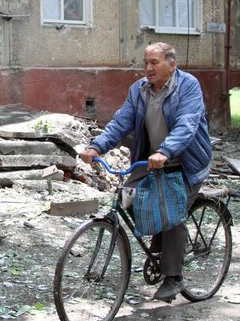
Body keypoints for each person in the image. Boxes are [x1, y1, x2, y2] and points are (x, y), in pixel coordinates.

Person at [79, 42, 212, 302]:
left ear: (171, 65)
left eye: (155, 62)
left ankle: (173, 277)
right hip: (150, 162)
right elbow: (120, 122)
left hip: (185, 162)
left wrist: (166, 151)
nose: (148, 68)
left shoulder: (188, 86)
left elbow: (187, 123)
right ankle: (161, 240)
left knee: (173, 211)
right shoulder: (139, 90)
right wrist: (97, 147)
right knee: (127, 197)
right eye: (146, 63)